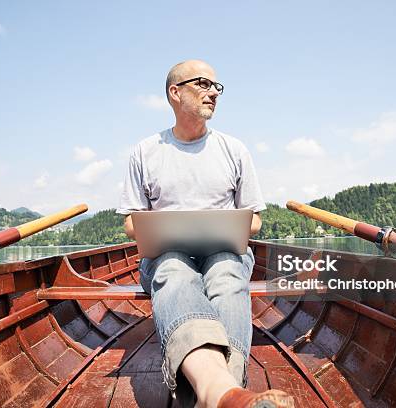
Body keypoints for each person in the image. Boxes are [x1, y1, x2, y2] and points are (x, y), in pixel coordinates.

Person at [117, 60, 294, 408]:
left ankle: (215, 393)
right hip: (166, 253)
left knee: (228, 271)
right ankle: (226, 393)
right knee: (172, 270)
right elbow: (130, 224)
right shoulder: (145, 151)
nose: (214, 92)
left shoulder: (234, 149)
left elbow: (254, 220)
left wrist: (224, 224)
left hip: (224, 249)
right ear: (175, 92)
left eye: (218, 86)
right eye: (204, 83)